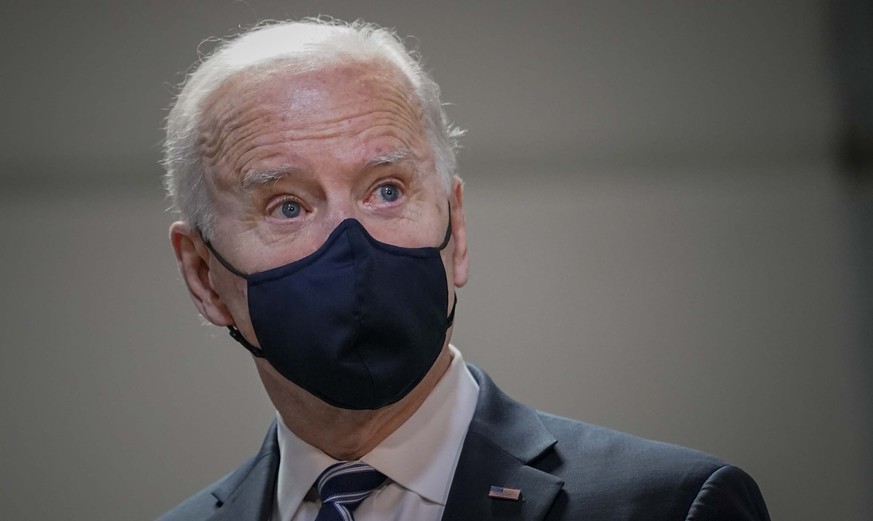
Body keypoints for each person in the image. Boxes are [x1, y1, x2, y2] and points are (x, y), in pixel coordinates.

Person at [159, 18, 770, 521]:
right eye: (287, 206)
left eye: (387, 191)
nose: (352, 244)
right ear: (203, 276)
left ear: (456, 229)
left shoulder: (673, 508)